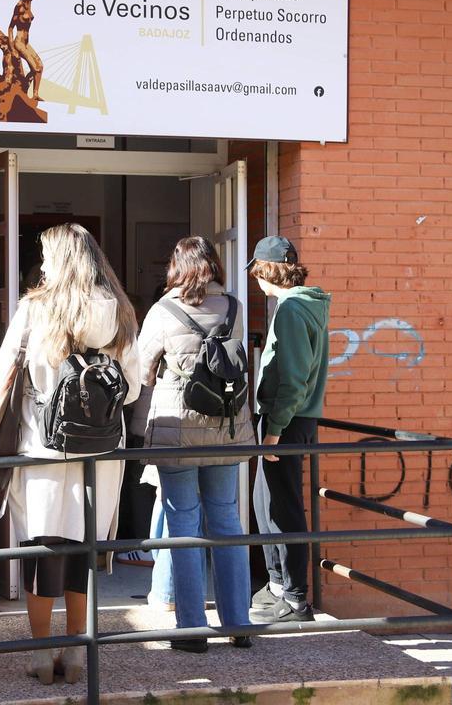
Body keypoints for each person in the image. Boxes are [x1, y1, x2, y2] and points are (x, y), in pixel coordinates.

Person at [0, 223, 139, 685]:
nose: (44, 263)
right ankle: (76, 653)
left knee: (41, 549)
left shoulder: (36, 309)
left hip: (42, 451)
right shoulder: (121, 312)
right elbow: (131, 390)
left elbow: (0, 380)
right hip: (102, 452)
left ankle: (40, 653)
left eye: (47, 255)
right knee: (81, 550)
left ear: (60, 259)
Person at [134, 237, 255, 651]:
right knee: (227, 523)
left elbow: (142, 371)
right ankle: (240, 623)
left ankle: (192, 631)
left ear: (177, 267)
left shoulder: (162, 310)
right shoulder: (235, 308)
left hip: (177, 435)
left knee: (183, 526)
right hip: (228, 431)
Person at [246, 235, 331, 624]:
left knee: (284, 507)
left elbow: (294, 378)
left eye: (256, 272)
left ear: (267, 271)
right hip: (288, 419)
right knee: (266, 502)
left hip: (288, 421)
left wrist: (274, 431)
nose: (255, 281)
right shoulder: (298, 305)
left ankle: (296, 598)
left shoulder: (293, 310)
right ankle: (278, 585)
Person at [9, 0, 44, 100]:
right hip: (19, 42)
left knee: (40, 67)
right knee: (35, 68)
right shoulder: (20, 6)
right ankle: (25, 87)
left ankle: (35, 94)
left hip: (26, 42)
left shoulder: (29, 4)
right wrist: (12, 48)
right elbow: (10, 28)